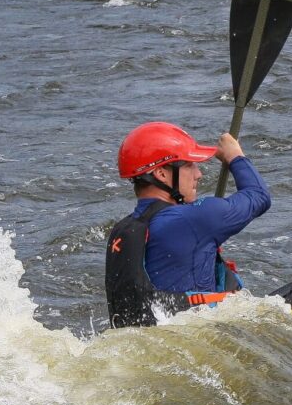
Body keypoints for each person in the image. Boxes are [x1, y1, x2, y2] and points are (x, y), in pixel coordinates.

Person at [105, 122, 270, 327]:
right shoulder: (190, 219)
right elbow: (259, 196)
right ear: (161, 174)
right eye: (188, 165)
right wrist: (234, 156)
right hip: (201, 335)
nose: (198, 174)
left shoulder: (124, 229)